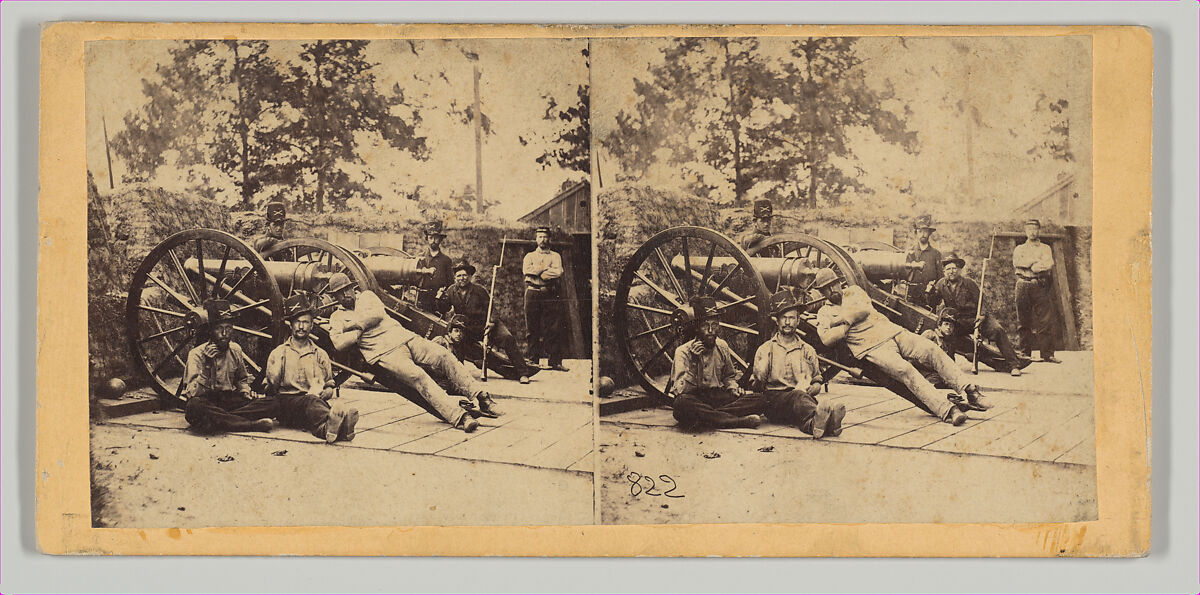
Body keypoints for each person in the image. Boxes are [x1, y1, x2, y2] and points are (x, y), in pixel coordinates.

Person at [324, 272, 499, 432]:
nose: (344, 296)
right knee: (419, 378)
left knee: (444, 355)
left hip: (405, 337)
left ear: (351, 287)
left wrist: (355, 326)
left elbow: (377, 314)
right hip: (384, 353)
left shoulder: (367, 297)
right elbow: (339, 343)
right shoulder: (336, 317)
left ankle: (481, 396)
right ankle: (460, 417)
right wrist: (361, 328)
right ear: (335, 296)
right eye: (338, 294)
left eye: (345, 290)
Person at [811, 269, 988, 426]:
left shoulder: (854, 291)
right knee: (906, 371)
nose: (830, 291)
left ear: (837, 282)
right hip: (872, 347)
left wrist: (842, 322)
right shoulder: (824, 312)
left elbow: (864, 310)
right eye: (825, 289)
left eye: (832, 285)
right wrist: (848, 322)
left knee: (931, 349)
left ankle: (969, 390)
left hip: (893, 332)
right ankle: (948, 410)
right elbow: (827, 339)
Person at [264, 293, 359, 444]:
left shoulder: (320, 355)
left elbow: (329, 385)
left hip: (313, 405)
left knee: (315, 410)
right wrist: (272, 379)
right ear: (291, 324)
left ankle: (335, 430)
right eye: (297, 322)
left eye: (305, 322)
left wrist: (325, 393)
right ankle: (341, 424)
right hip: (287, 405)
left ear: (312, 325)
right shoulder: (279, 353)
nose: (301, 327)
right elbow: (269, 391)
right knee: (311, 403)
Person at [752, 290, 846, 438]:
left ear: (798, 321)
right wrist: (760, 375)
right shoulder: (765, 350)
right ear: (777, 321)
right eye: (784, 318)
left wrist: (813, 388)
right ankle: (829, 420)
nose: (787, 322)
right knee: (798, 398)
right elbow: (756, 388)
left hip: (801, 401)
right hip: (775, 403)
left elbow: (817, 381)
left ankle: (821, 425)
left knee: (802, 406)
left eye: (791, 318)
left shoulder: (808, 350)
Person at [669, 296, 767, 430]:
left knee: (759, 399)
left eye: (714, 325)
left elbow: (728, 376)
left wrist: (733, 388)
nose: (710, 330)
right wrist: (693, 363)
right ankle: (738, 422)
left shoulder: (722, 346)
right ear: (697, 328)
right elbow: (680, 391)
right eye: (705, 325)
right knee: (681, 405)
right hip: (695, 398)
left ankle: (708, 419)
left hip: (717, 397)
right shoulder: (683, 352)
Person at [182, 299, 277, 434]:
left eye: (228, 328)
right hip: (207, 400)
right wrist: (207, 366)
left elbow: (241, 379)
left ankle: (221, 420)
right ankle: (249, 425)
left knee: (273, 403)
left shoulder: (235, 349)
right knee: (194, 407)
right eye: (219, 329)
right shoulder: (196, 354)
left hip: (228, 401)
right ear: (210, 331)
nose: (224, 334)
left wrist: (245, 391)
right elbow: (192, 394)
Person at [437, 258, 533, 383]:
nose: (462, 278)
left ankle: (523, 373)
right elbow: (443, 309)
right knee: (457, 340)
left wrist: (492, 322)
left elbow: (492, 308)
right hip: (468, 328)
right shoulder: (451, 291)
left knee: (507, 338)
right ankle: (459, 374)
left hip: (487, 324)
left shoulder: (479, 290)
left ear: (470, 276)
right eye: (459, 276)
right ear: (455, 278)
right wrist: (439, 299)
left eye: (465, 275)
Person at [929, 251, 1024, 376]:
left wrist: (982, 315)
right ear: (944, 271)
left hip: (976, 317)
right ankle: (950, 367)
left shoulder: (969, 283)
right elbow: (933, 303)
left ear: (959, 270)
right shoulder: (941, 284)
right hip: (958, 321)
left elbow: (981, 300)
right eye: (948, 269)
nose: (951, 271)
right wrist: (929, 293)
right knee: (947, 334)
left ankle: (1013, 365)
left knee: (997, 330)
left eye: (954, 268)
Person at [1012, 219, 1061, 363]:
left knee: (1044, 320)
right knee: (1023, 319)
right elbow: (1017, 263)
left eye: (1035, 229)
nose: (1032, 232)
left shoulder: (1045, 248)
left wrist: (1031, 264)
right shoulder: (1019, 248)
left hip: (1040, 284)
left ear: (1039, 230)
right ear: (1025, 231)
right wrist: (1034, 262)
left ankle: (1047, 354)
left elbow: (1049, 264)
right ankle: (1025, 353)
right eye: (1029, 229)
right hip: (1023, 284)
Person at [522, 226, 568, 372]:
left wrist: (538, 272)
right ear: (536, 239)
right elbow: (527, 271)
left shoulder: (555, 256)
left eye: (545, 237)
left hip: (550, 293)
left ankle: (554, 361)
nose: (543, 239)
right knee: (532, 327)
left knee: (553, 327)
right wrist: (545, 269)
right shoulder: (529, 256)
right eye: (540, 237)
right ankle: (532, 360)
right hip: (532, 293)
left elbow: (558, 272)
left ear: (549, 239)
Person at [904, 214, 943, 309]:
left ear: (929, 233)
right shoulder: (910, 252)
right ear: (916, 233)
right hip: (911, 296)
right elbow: (904, 273)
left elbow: (941, 277)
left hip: (929, 298)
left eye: (926, 231)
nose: (923, 234)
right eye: (920, 231)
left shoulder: (936, 254)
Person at [415, 220, 454, 312]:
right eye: (431, 238)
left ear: (440, 240)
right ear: (427, 239)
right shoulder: (420, 257)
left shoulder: (446, 260)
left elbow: (450, 282)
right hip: (421, 299)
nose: (433, 241)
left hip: (439, 300)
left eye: (436, 238)